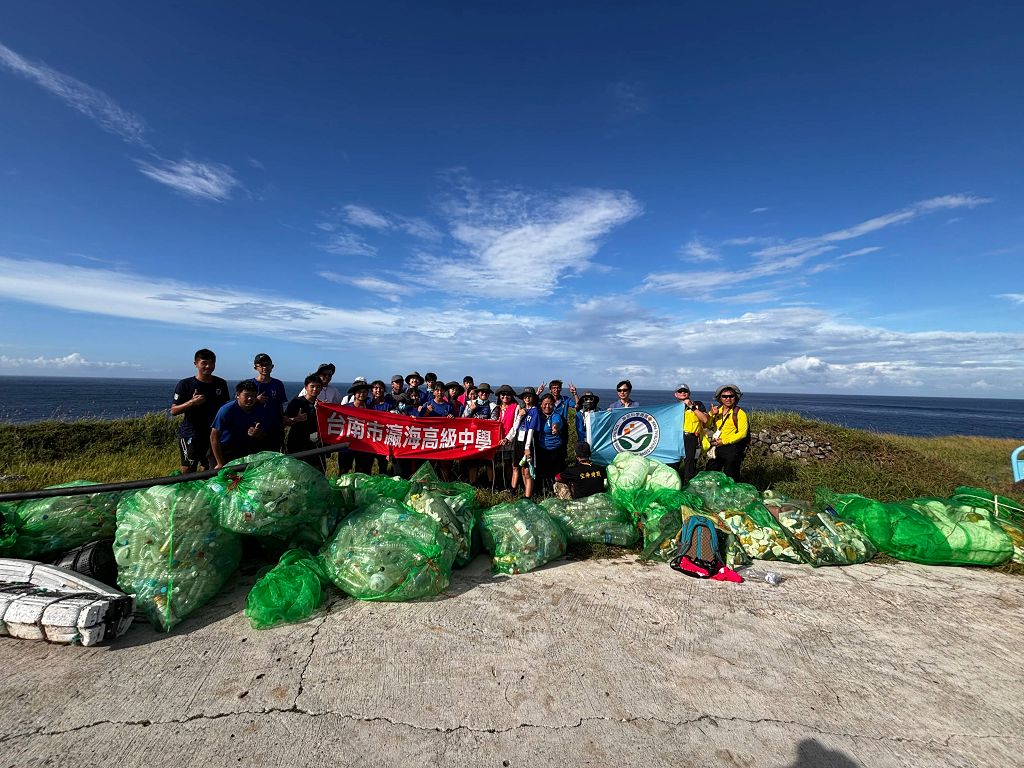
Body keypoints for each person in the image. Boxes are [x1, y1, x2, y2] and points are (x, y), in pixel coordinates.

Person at [170, 348, 229, 474]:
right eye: (204, 363)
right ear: (196, 364)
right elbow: (174, 410)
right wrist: (192, 402)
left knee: (208, 466)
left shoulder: (221, 383)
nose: (208, 366)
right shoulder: (185, 384)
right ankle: (185, 492)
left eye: (211, 363)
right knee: (188, 468)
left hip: (213, 433)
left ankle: (202, 491)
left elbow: (225, 407)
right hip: (191, 433)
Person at [210, 380, 265, 468]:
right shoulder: (226, 410)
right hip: (224, 450)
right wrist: (219, 462)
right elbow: (214, 437)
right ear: (238, 395)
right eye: (246, 396)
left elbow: (263, 435)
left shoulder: (258, 410)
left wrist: (257, 434)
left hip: (244, 451)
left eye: (253, 396)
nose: (250, 399)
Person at [699, 384, 749, 481]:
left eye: (731, 396)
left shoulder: (740, 413)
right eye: (725, 396)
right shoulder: (717, 410)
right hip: (717, 446)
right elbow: (706, 425)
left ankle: (731, 493)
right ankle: (713, 492)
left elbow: (743, 433)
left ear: (735, 398)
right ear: (720, 398)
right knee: (711, 472)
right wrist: (711, 414)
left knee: (731, 475)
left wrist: (724, 441)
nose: (728, 399)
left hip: (732, 448)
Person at [285, 374, 325, 472]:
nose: (315, 389)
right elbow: (284, 421)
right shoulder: (297, 402)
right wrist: (296, 419)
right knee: (297, 472)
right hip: (297, 444)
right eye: (312, 386)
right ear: (306, 387)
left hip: (315, 444)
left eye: (318, 387)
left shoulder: (321, 405)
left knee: (317, 473)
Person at [506, 386, 540, 499]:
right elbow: (515, 426)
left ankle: (528, 497)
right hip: (518, 441)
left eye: (529, 396)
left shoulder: (535, 411)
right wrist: (508, 438)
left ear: (533, 398)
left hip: (527, 442)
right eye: (525, 396)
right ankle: (513, 491)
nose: (527, 398)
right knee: (516, 466)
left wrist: (527, 447)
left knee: (527, 471)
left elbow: (531, 430)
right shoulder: (521, 409)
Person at [250, 353, 288, 450]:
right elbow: (240, 405)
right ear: (255, 368)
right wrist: (256, 400)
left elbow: (280, 405)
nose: (264, 367)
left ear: (272, 366)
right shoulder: (250, 384)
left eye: (267, 364)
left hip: (274, 428)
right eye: (261, 365)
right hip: (255, 428)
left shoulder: (278, 384)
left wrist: (281, 424)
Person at [464, 383, 497, 487]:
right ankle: (472, 484)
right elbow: (463, 418)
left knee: (489, 462)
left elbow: (494, 421)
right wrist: (471, 409)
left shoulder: (493, 406)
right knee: (473, 463)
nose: (484, 394)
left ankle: (491, 484)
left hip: (487, 438)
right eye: (482, 392)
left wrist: (480, 422)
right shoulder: (470, 403)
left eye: (486, 392)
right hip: (473, 437)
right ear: (478, 393)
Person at [535, 393, 566, 493]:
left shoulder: (556, 416)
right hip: (541, 448)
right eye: (545, 404)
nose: (547, 406)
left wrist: (555, 428)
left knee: (555, 471)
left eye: (550, 404)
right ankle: (543, 489)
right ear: (541, 404)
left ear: (554, 405)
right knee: (542, 471)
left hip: (555, 449)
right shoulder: (538, 415)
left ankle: (556, 490)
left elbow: (555, 423)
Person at [673, 383, 703, 485]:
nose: (682, 393)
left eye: (685, 391)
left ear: (689, 393)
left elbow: (704, 419)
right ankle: (674, 484)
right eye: (680, 391)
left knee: (689, 464)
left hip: (691, 438)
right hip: (677, 438)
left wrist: (691, 406)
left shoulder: (697, 404)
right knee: (674, 463)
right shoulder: (673, 408)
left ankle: (688, 486)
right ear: (675, 395)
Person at [493, 384, 519, 490]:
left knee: (513, 464)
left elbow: (515, 425)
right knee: (504, 463)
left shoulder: (516, 407)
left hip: (511, 440)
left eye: (508, 395)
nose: (505, 397)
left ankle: (512, 487)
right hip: (499, 440)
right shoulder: (496, 408)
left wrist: (508, 438)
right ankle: (504, 484)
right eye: (502, 394)